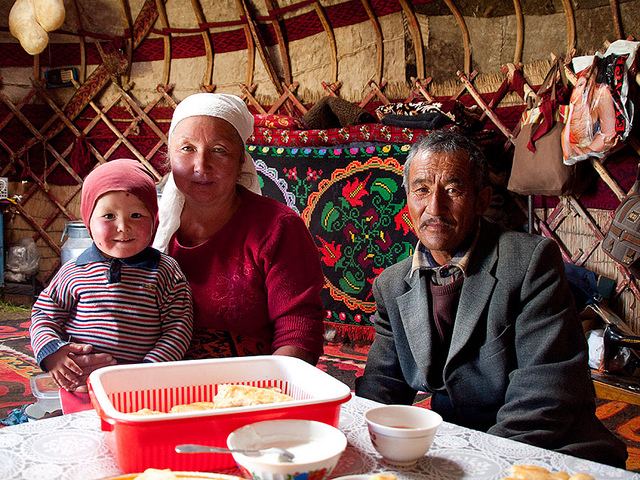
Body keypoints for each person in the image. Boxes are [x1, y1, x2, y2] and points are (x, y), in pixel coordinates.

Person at [355, 130, 628, 468]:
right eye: (421, 189)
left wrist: (481, 465)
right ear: (408, 199)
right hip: (454, 446)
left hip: (546, 446)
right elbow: (381, 389)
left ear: (482, 200)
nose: (434, 207)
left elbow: (543, 397)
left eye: (453, 190)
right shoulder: (392, 285)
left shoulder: (530, 263)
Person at [152, 92, 325, 364]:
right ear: (169, 156)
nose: (201, 165)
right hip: (158, 384)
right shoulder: (143, 226)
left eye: (219, 150)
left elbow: (298, 329)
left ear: (240, 161)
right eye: (187, 148)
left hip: (252, 388)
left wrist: (266, 391)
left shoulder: (277, 229)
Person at [30, 159, 194, 393]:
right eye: (108, 216)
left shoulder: (165, 272)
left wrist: (150, 370)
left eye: (137, 215)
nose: (123, 226)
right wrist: (52, 353)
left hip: (142, 386)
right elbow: (44, 313)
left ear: (154, 220)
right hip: (80, 383)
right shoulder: (73, 271)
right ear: (89, 221)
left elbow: (178, 326)